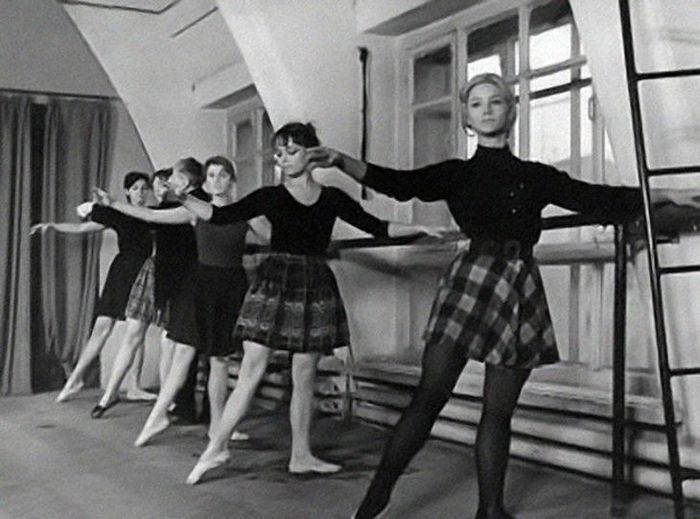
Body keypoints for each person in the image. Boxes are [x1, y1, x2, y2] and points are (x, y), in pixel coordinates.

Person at [304, 72, 700, 519]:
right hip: (469, 282)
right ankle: (374, 501)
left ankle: (490, 511)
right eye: (477, 104)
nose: (487, 110)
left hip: (518, 287)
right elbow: (397, 183)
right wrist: (339, 160)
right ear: (467, 119)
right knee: (429, 398)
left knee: (498, 411)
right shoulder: (456, 173)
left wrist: (666, 192)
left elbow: (598, 198)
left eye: (496, 102)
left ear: (511, 111)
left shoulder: (535, 176)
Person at [174, 122, 447, 485]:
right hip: (275, 280)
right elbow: (220, 215)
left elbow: (377, 226)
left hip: (314, 282)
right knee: (253, 366)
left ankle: (301, 456)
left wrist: (421, 228)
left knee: (304, 375)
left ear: (312, 153)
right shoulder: (269, 196)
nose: (284, 159)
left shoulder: (331, 197)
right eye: (279, 153)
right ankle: (216, 446)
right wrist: (183, 197)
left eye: (291, 151)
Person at [94, 157, 251, 444]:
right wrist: (113, 203)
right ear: (204, 181)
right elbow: (151, 216)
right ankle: (158, 416)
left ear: (232, 179)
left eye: (222, 175)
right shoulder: (196, 209)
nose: (216, 181)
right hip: (202, 286)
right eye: (211, 175)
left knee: (219, 360)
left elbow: (275, 236)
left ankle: (217, 426)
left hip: (231, 288)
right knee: (182, 354)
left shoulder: (245, 212)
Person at [31, 172, 158, 406]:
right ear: (127, 192)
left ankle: (134, 386)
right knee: (101, 328)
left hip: (143, 274)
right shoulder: (118, 213)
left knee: (136, 333)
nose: (141, 193)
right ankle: (74, 380)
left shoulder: (153, 215)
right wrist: (53, 226)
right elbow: (83, 228)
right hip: (121, 273)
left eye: (144, 188)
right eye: (135, 189)